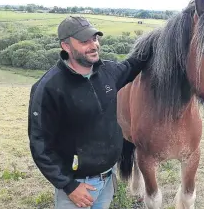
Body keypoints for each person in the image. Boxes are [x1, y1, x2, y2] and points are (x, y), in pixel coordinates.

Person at [28, 16, 151, 209]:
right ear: (66, 46)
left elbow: (133, 64)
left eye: (95, 39)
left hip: (107, 179)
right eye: (84, 41)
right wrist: (69, 186)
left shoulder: (108, 72)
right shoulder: (49, 88)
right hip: (77, 187)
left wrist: (160, 39)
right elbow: (40, 146)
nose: (93, 45)